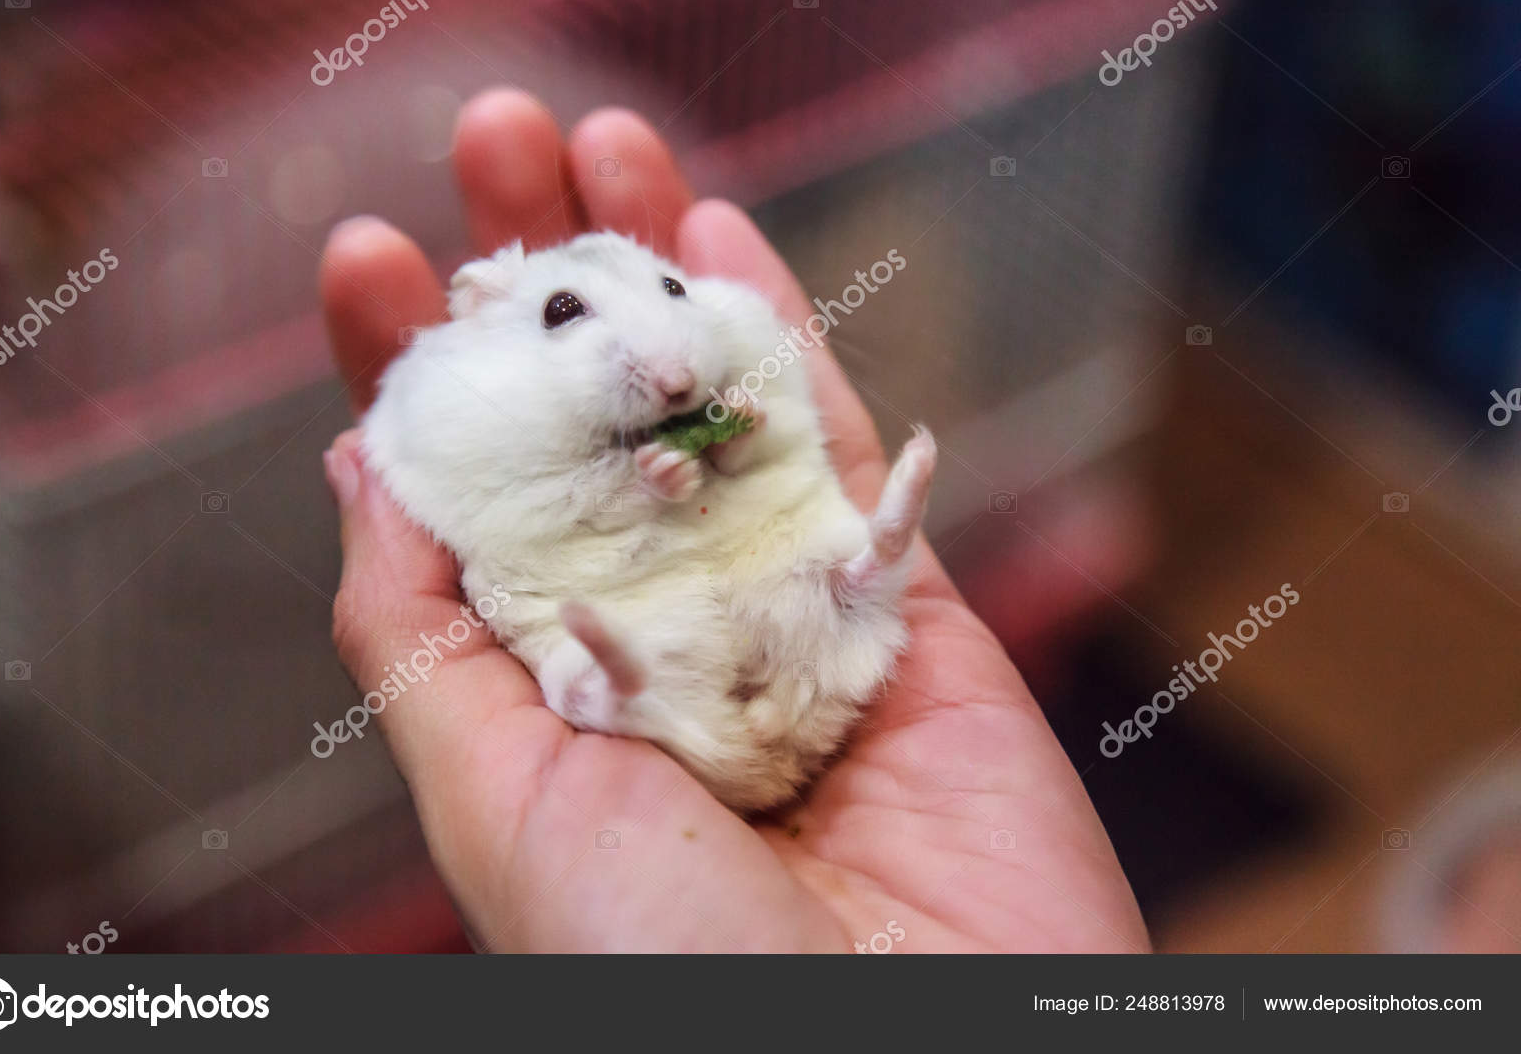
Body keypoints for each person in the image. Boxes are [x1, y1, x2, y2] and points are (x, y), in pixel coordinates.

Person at [318, 87, 1148, 952]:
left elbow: (774, 457)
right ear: (479, 313)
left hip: (786, 622)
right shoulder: (452, 420)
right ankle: (616, 686)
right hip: (630, 632)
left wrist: (729, 446)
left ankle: (865, 565)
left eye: (674, 289)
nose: (673, 370)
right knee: (581, 663)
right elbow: (521, 512)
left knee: (828, 560)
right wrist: (634, 487)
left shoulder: (722, 374)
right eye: (567, 313)